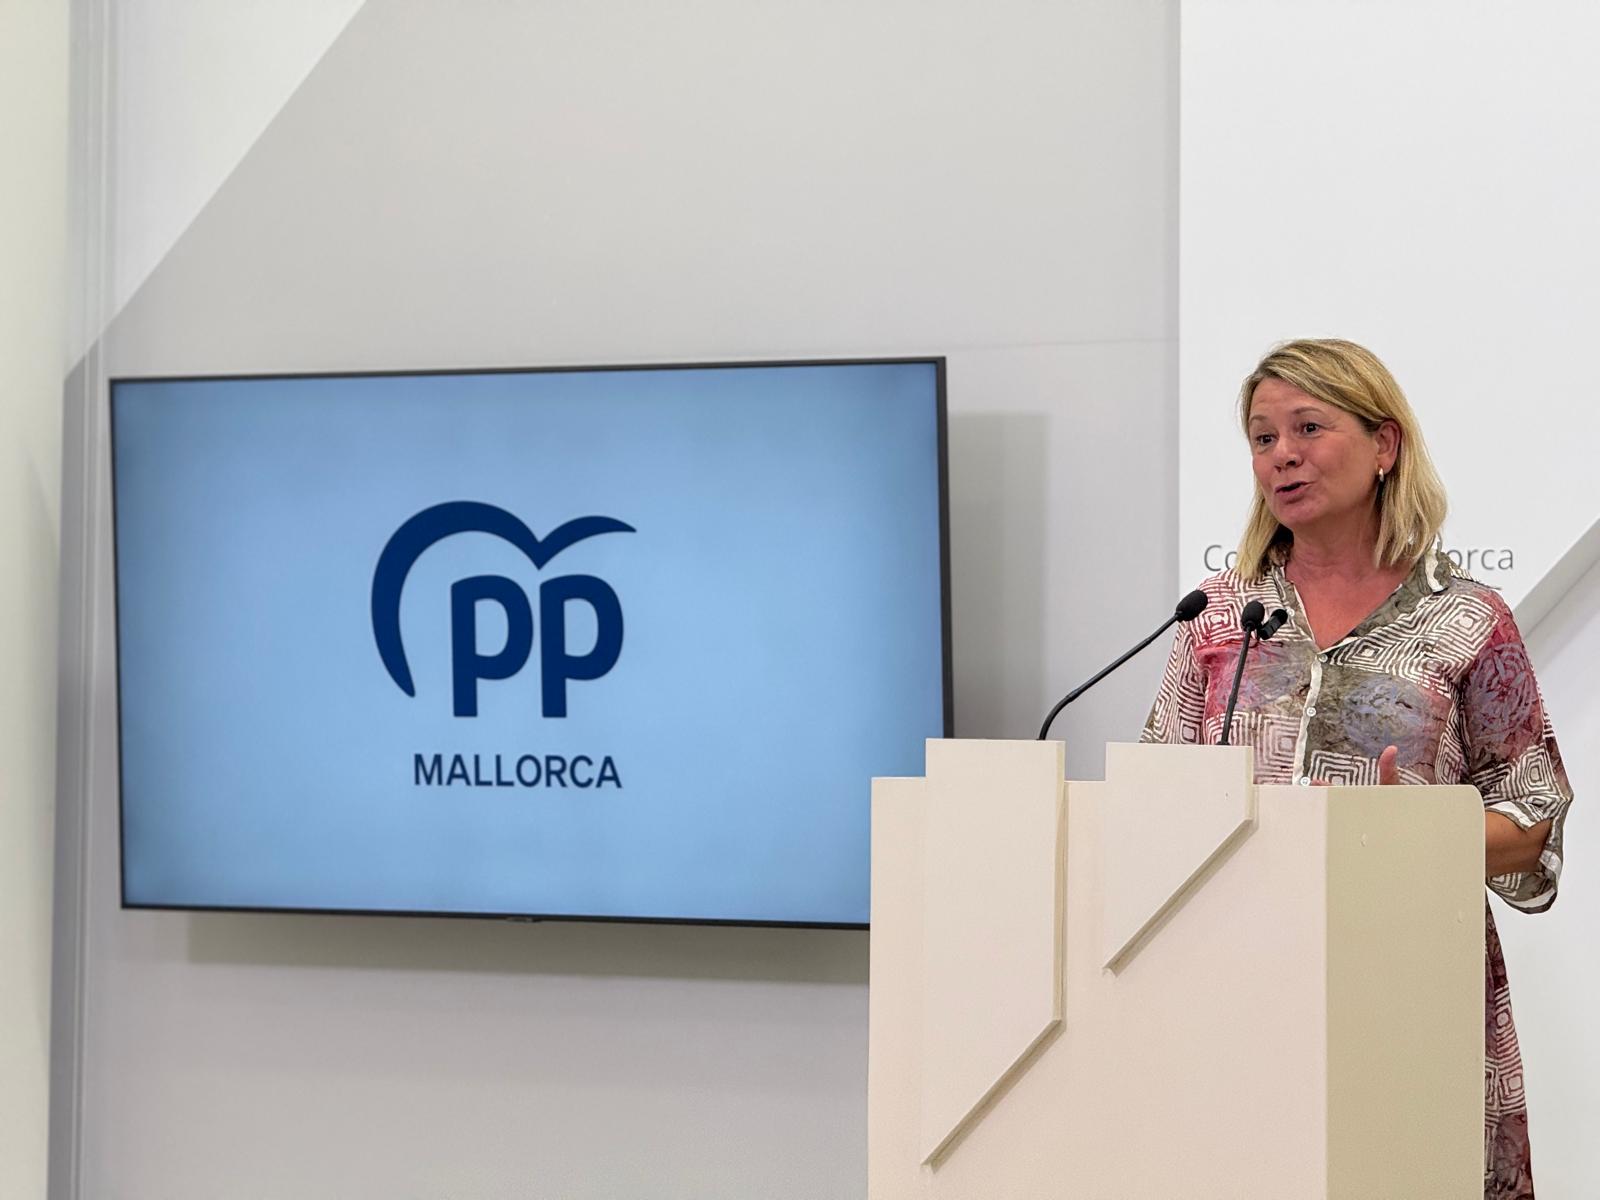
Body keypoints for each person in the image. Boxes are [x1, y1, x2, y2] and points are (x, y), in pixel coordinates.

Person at [1142, 338, 1572, 1199]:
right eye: (1263, 438)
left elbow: (1532, 823)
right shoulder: (1219, 617)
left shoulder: (1465, 619)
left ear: (1385, 445)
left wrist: (1409, 835)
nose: (1283, 455)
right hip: (1235, 982)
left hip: (1407, 983)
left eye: (1308, 428)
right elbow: (1154, 802)